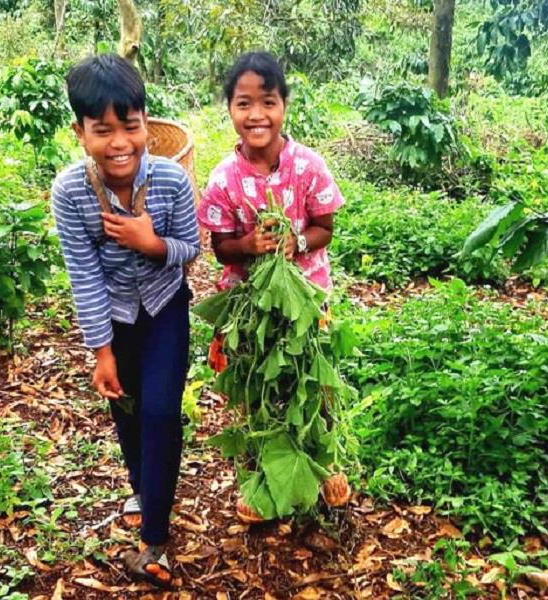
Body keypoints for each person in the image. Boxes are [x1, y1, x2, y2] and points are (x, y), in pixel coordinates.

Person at [50, 53, 200, 587]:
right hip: (115, 318)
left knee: (162, 412)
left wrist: (151, 243)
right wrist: (102, 351)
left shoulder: (171, 181)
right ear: (81, 132)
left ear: (145, 124)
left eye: (129, 127)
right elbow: (84, 275)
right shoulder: (70, 193)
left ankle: (154, 538)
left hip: (165, 309)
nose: (118, 143)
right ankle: (144, 486)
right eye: (102, 130)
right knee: (129, 410)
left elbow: (191, 249)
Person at [197, 51, 348, 520]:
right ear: (229, 109)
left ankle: (324, 462)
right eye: (244, 103)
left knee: (311, 382)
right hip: (247, 306)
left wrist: (296, 240)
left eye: (268, 101)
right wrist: (250, 243)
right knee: (252, 389)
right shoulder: (223, 178)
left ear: (284, 106)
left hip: (307, 296)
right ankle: (261, 480)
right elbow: (220, 247)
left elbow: (326, 225)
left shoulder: (308, 166)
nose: (256, 115)